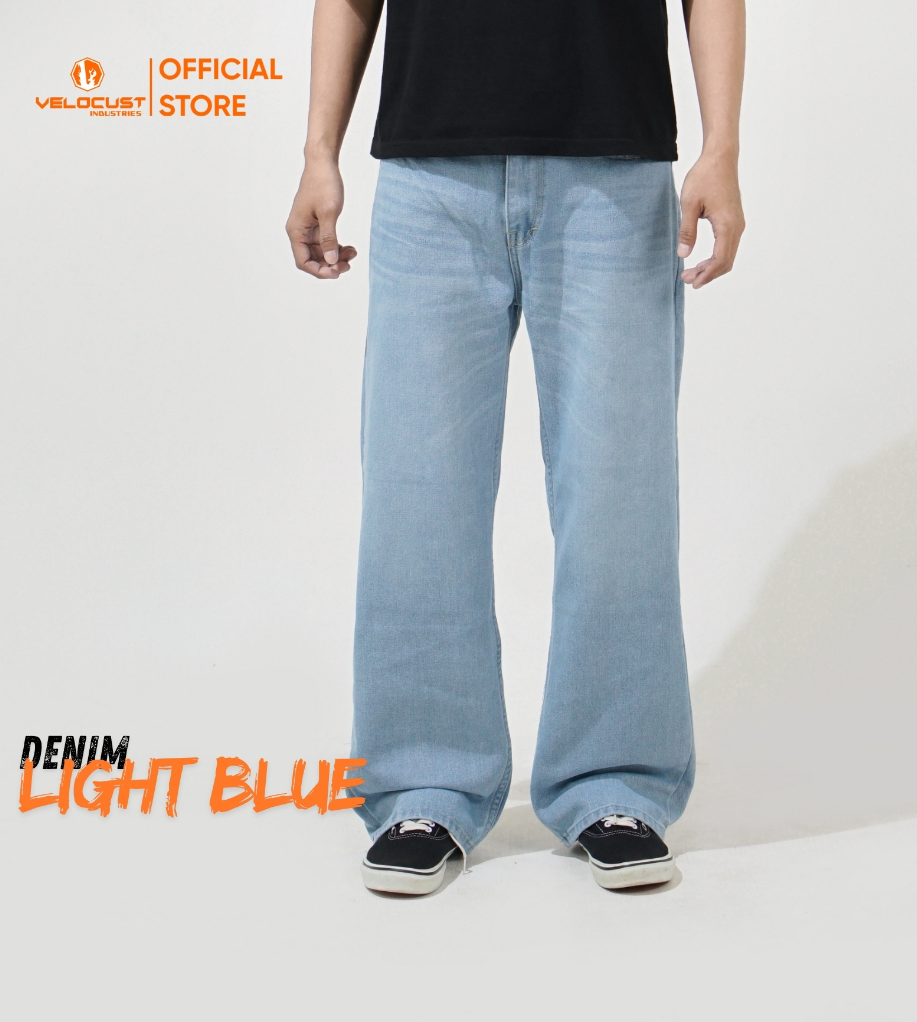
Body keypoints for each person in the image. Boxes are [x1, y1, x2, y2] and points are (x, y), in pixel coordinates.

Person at [287, 0, 745, 895]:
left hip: (614, 176)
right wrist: (317, 152)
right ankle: (422, 785)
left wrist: (720, 148)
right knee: (417, 498)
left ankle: (617, 782)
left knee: (619, 495)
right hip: (429, 175)